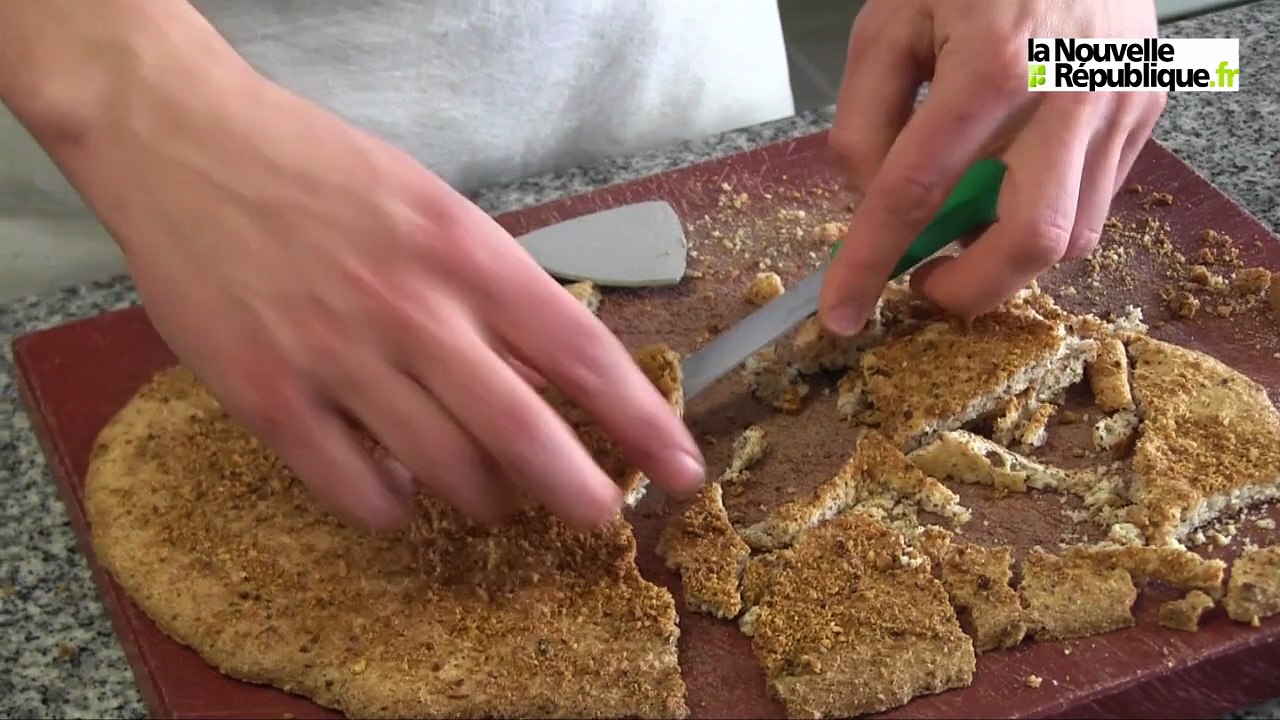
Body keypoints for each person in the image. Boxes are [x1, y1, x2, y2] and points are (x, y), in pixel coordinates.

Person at [0, 0, 1165, 532]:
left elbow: (1193, 52)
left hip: (688, 105)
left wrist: (1102, 18)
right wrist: (114, 83)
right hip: (134, 209)